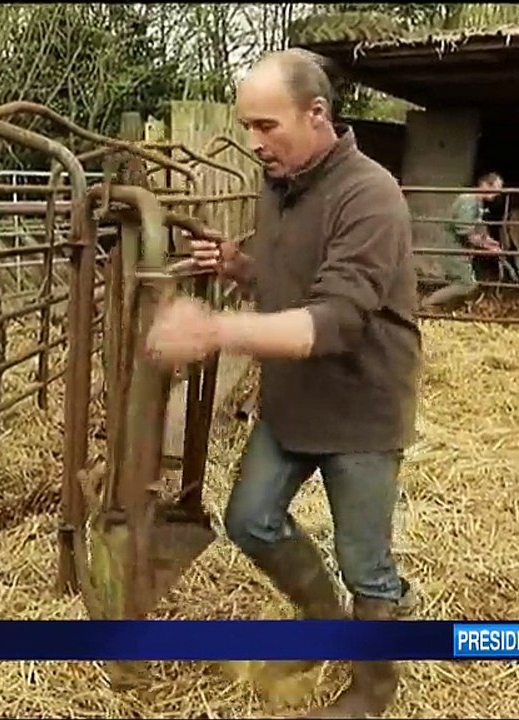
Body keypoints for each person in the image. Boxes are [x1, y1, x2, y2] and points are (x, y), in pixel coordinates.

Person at [144, 49, 421, 719]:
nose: (254, 142)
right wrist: (241, 267)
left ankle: (373, 689)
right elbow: (288, 278)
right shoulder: (281, 185)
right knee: (251, 519)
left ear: (316, 114)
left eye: (266, 126)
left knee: (366, 565)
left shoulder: (370, 195)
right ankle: (321, 625)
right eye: (247, 127)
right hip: (295, 396)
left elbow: (332, 321)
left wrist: (215, 330)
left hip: (361, 404)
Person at [420, 172, 505, 309]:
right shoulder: (468, 201)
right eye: (495, 189)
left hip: (459, 248)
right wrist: (487, 247)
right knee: (467, 284)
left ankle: (442, 305)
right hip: (452, 247)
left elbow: (477, 229)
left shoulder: (477, 203)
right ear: (484, 184)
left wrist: (490, 242)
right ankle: (428, 303)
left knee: (465, 281)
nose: (497, 194)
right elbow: (466, 232)